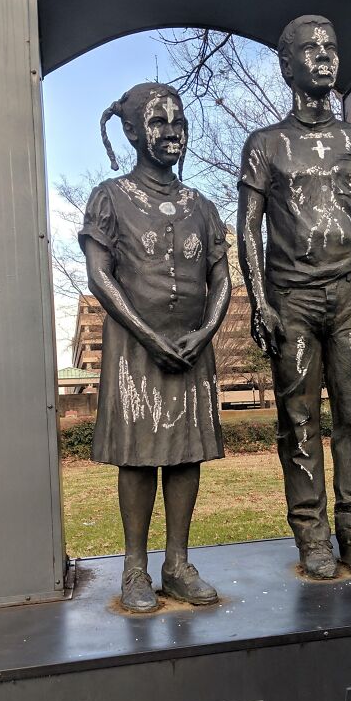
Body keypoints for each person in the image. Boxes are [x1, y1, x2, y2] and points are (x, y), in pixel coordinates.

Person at [237, 16, 351, 580]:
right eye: (311, 50)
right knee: (298, 420)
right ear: (287, 67)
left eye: (332, 46)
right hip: (293, 299)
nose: (325, 56)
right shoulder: (265, 145)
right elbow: (248, 228)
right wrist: (260, 301)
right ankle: (312, 537)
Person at [79, 83, 231, 611]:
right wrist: (148, 336)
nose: (172, 132)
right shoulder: (111, 196)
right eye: (158, 122)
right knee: (140, 459)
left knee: (186, 454)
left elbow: (222, 277)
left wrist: (205, 332)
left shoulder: (203, 206)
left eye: (179, 121)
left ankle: (178, 563)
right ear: (131, 132)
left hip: (191, 350)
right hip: (135, 350)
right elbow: (100, 275)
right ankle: (135, 569)